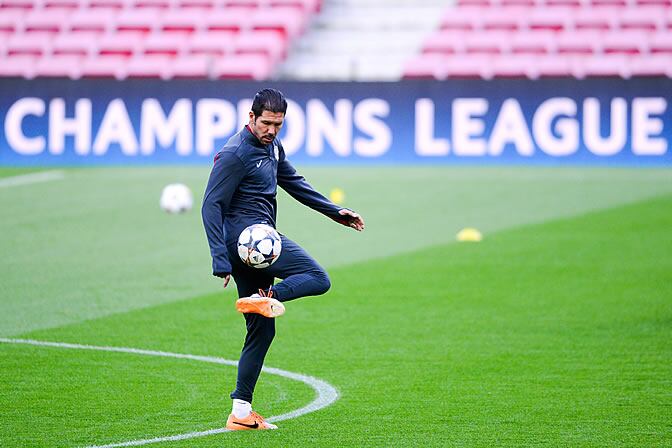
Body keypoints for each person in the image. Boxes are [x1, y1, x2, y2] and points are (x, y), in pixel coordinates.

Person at [201, 88, 365, 431]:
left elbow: (293, 182)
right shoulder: (234, 154)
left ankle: (241, 413)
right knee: (318, 278)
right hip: (251, 241)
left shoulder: (272, 147)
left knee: (262, 331)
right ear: (251, 117)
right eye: (266, 123)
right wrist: (220, 259)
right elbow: (211, 205)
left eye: (278, 124)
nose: (272, 130)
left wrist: (335, 212)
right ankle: (265, 299)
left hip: (252, 245)